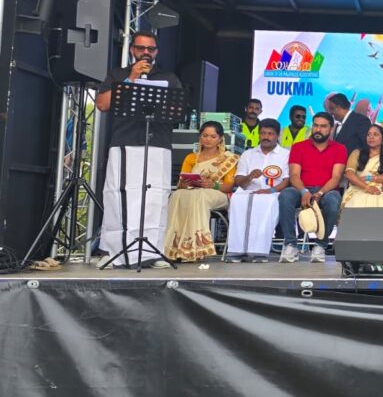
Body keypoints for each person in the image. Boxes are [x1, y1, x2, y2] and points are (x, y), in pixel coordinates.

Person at [95, 30, 183, 269]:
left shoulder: (168, 77)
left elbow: (178, 111)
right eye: (141, 48)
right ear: (132, 49)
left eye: (150, 49)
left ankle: (151, 252)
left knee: (156, 197)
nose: (146, 52)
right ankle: (114, 251)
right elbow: (102, 104)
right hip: (125, 142)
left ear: (157, 52)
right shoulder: (117, 74)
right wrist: (131, 78)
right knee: (120, 194)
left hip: (158, 143)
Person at [277, 112, 347, 263]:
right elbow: (294, 175)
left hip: (326, 191)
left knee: (333, 200)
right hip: (301, 189)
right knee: (286, 195)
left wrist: (320, 193)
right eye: (315, 125)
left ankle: (321, 245)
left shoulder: (339, 148)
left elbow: (336, 177)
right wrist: (304, 192)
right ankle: (290, 244)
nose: (318, 129)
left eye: (323, 126)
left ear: (331, 129)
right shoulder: (298, 147)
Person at [164, 121, 239, 262]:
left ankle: (196, 249)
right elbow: (181, 183)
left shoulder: (229, 158)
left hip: (219, 193)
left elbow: (229, 187)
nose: (208, 139)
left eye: (213, 136)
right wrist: (183, 184)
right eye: (205, 135)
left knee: (199, 196)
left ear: (220, 139)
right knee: (176, 195)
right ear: (200, 137)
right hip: (193, 191)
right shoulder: (191, 158)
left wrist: (213, 185)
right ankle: (174, 248)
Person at [226, 118, 290, 262]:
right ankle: (236, 250)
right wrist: (250, 176)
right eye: (263, 133)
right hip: (247, 192)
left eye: (270, 134)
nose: (266, 137)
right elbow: (239, 181)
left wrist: (270, 191)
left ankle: (259, 252)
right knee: (237, 200)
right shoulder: (248, 154)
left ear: (277, 135)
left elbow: (286, 180)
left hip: (273, 193)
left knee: (264, 202)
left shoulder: (285, 155)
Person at [343, 124, 383, 208]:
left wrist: (368, 178)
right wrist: (367, 187)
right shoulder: (357, 153)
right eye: (368, 134)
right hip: (359, 188)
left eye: (375, 134)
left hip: (381, 190)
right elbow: (349, 174)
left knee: (382, 202)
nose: (371, 137)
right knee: (357, 202)